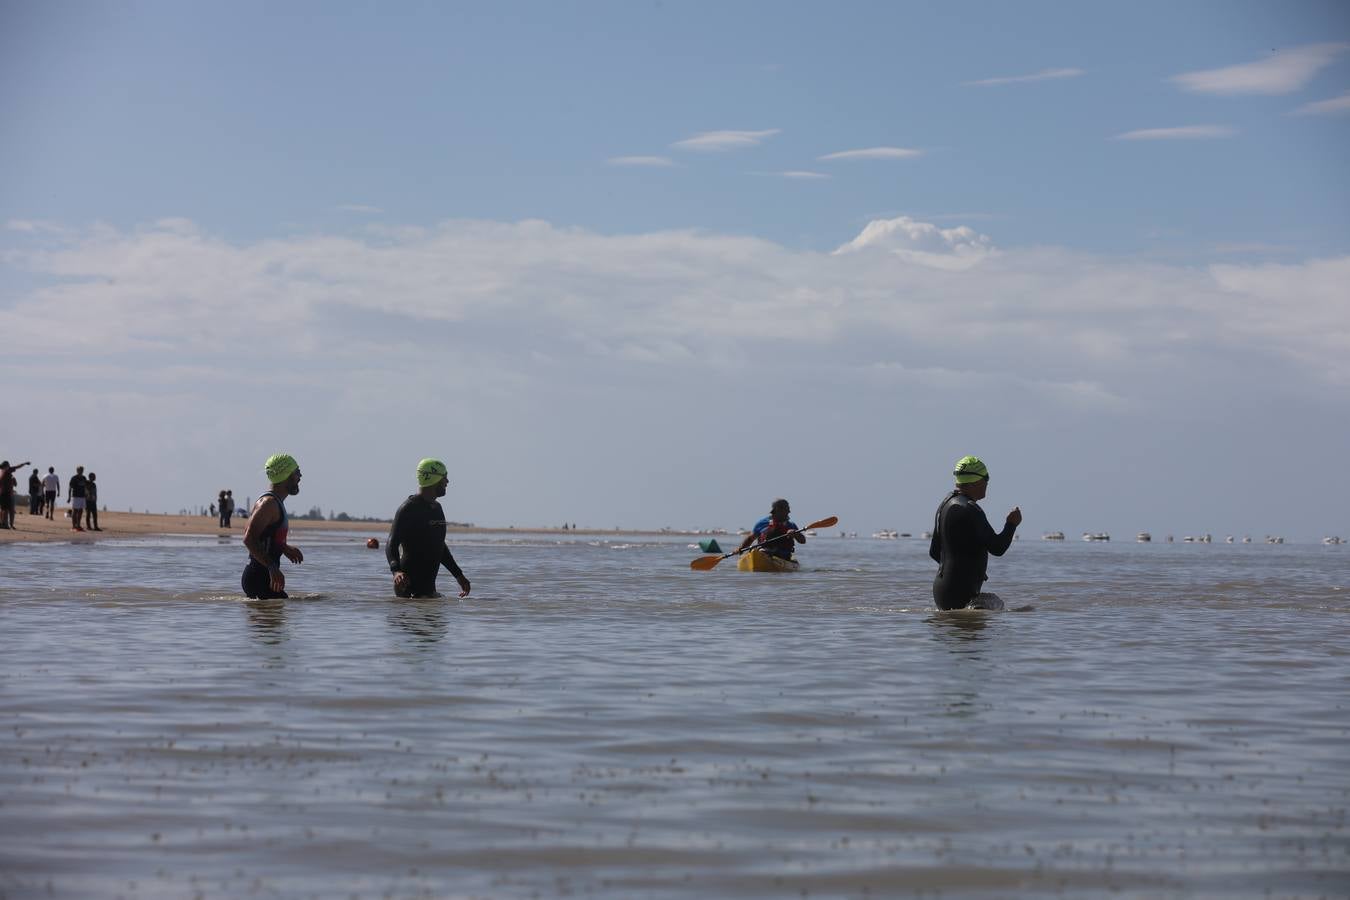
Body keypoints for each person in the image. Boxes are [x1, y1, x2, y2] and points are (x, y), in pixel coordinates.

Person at [928, 456, 1021, 611]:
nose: (987, 483)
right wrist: (1011, 524)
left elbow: (934, 552)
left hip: (941, 592)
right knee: (1004, 608)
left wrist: (963, 570)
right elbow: (998, 548)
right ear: (975, 481)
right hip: (961, 594)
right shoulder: (970, 509)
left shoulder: (945, 504)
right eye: (986, 478)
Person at [385, 458, 471, 599]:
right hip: (408, 591)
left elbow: (439, 545)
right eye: (444, 477)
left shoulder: (437, 508)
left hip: (428, 592)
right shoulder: (408, 508)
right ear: (434, 479)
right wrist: (396, 571)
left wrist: (459, 575)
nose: (447, 482)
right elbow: (391, 543)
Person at [241, 454, 304, 599]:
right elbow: (248, 538)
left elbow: (265, 537)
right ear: (286, 474)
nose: (300, 476)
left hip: (263, 578)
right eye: (297, 472)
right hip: (258, 578)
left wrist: (284, 548)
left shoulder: (275, 503)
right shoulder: (268, 504)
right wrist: (272, 567)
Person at [736, 498, 806, 561]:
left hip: (783, 557)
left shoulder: (791, 525)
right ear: (778, 510)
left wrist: (796, 534)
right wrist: (741, 549)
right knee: (758, 551)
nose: (789, 512)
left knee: (763, 552)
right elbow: (750, 539)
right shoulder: (762, 523)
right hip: (764, 552)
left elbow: (802, 541)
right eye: (787, 509)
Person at [0, 460, 30, 529]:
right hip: (6, 493)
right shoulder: (7, 471)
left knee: (3, 509)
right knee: (6, 509)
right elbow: (17, 467)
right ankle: (4, 524)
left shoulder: (2, 472)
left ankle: (3, 523)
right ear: (7, 466)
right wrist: (24, 463)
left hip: (3, 493)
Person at [67, 465, 88, 531]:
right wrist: (69, 497)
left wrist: (87, 494)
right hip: (75, 496)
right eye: (79, 470)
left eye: (82, 470)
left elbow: (85, 487)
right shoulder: (74, 478)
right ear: (77, 470)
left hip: (82, 497)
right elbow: (70, 487)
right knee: (75, 511)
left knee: (81, 511)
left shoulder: (84, 478)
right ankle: (73, 526)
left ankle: (78, 525)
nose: (81, 471)